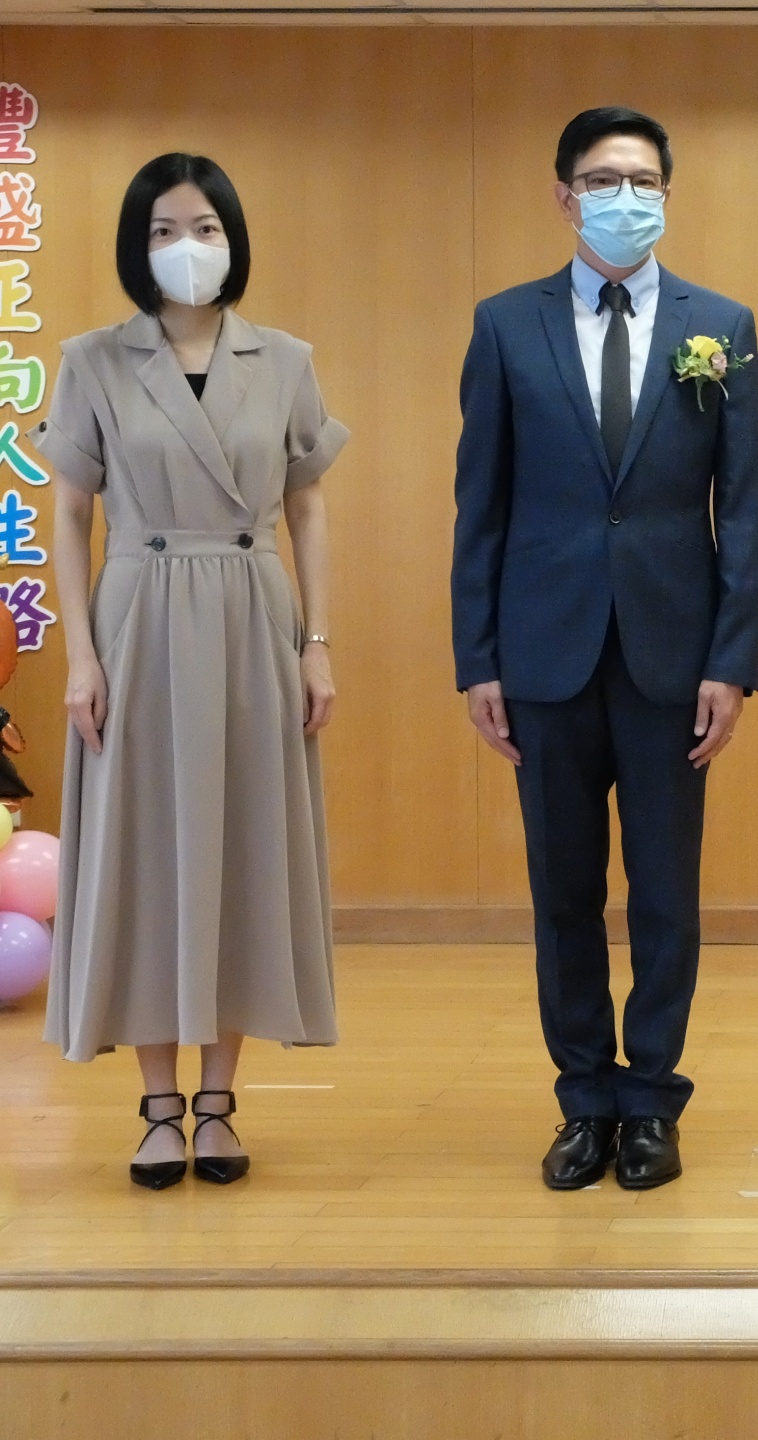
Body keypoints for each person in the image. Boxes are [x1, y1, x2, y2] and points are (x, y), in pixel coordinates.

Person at [451, 107, 758, 1192]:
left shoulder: (719, 326)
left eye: (641, 180)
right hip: (543, 652)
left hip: (673, 656)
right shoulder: (506, 325)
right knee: (563, 890)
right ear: (564, 196)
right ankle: (584, 1098)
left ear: (667, 195)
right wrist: (477, 658)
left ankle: (653, 1101)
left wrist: (732, 660)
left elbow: (745, 511)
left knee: (666, 891)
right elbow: (480, 505)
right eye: (601, 179)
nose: (622, 197)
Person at [37, 153, 346, 1189]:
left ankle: (219, 1102)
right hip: (140, 614)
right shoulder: (92, 359)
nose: (187, 247)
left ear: (234, 238)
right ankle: (159, 1105)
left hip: (253, 612)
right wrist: (81, 655)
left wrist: (317, 643)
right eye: (165, 229)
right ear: (138, 245)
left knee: (242, 844)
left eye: (206, 227)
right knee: (149, 850)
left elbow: (306, 505)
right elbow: (69, 513)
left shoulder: (286, 359)